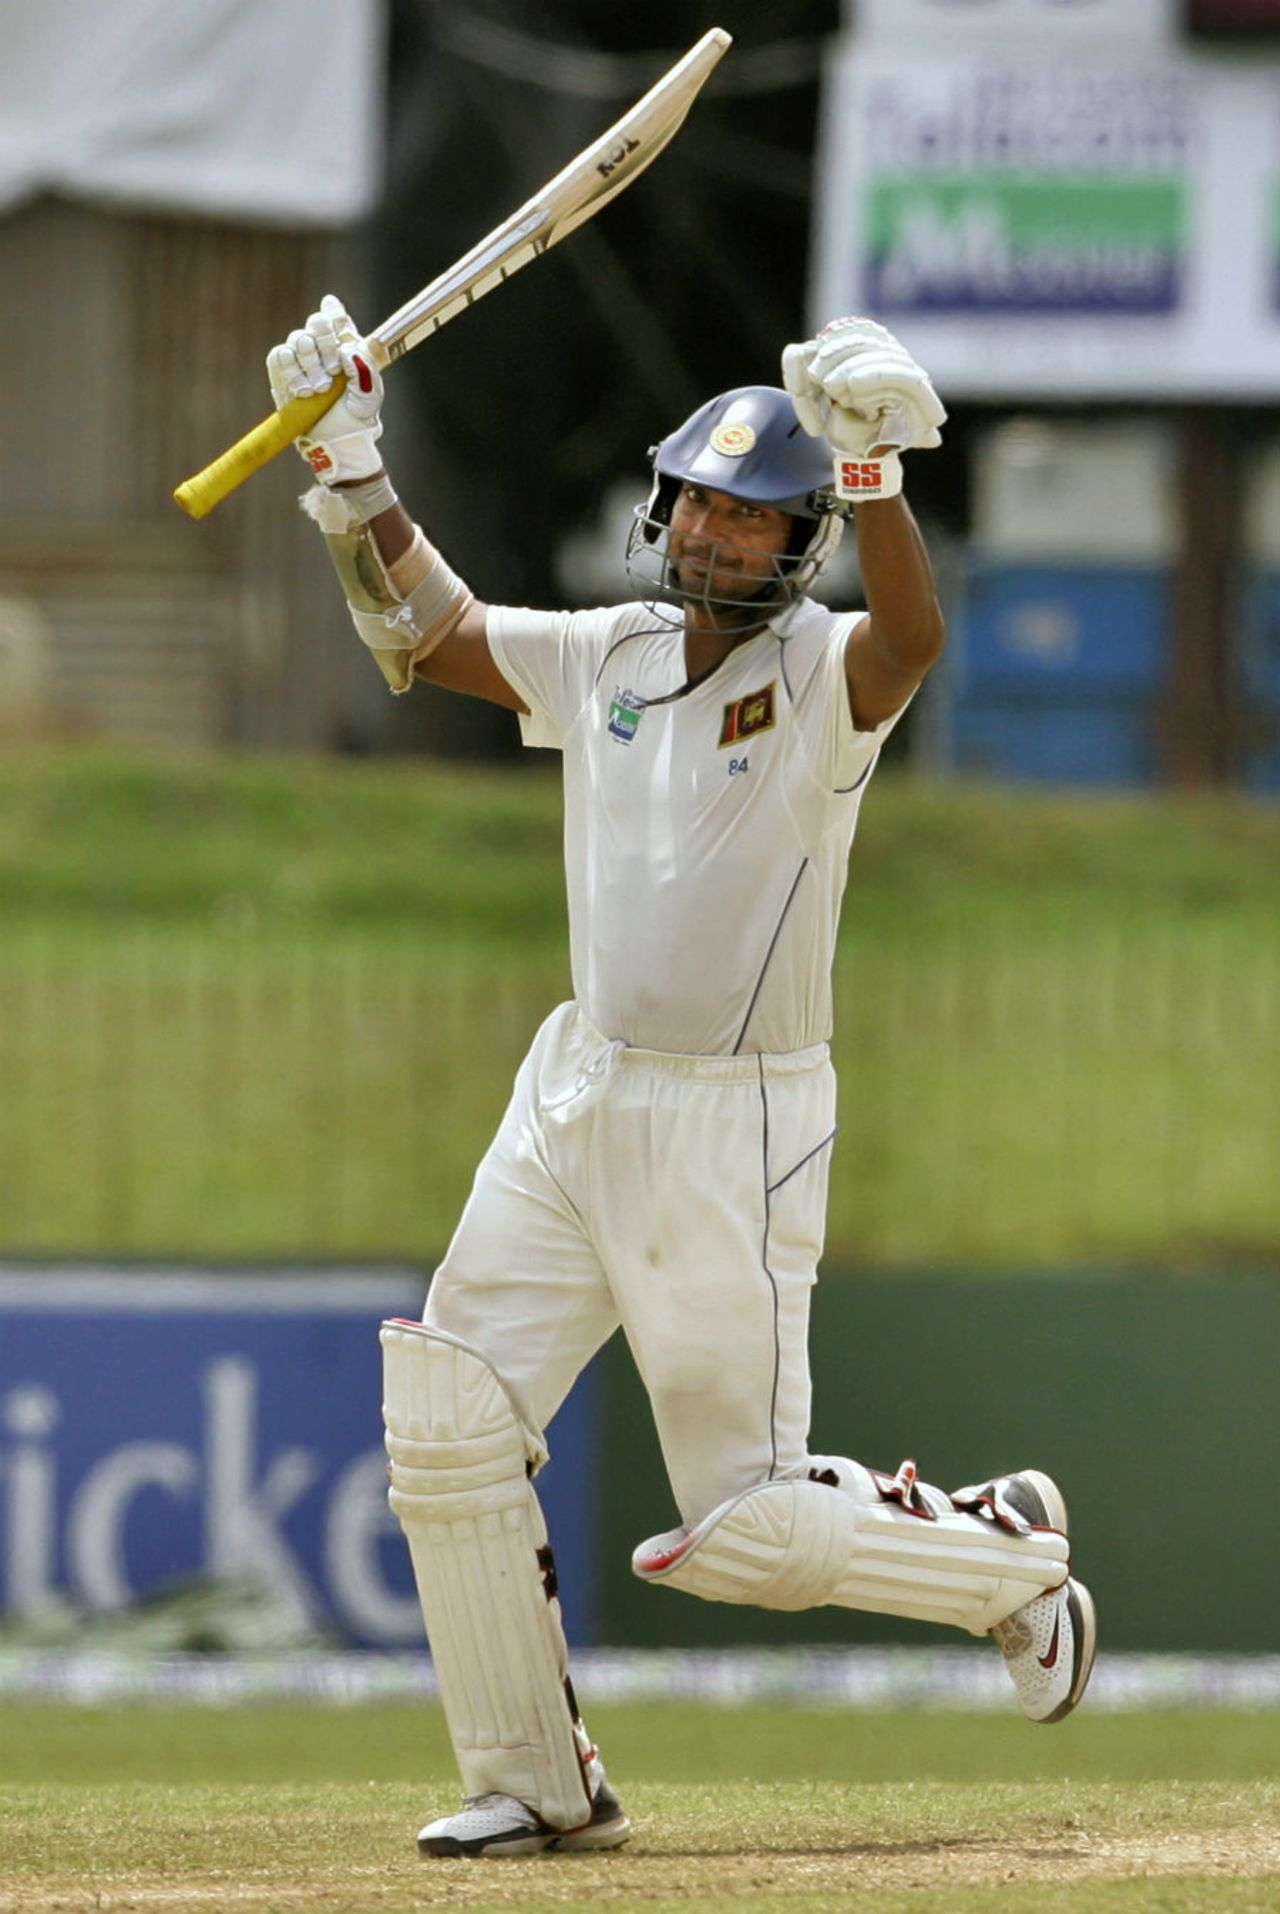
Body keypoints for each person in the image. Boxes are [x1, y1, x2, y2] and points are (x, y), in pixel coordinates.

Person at [267, 298, 1098, 1859]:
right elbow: (430, 634)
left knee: (753, 1529)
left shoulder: (823, 675)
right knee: (446, 1415)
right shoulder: (614, 653)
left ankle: (1011, 1559)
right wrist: (348, 463)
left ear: (798, 538)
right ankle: (535, 1778)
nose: (714, 533)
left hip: (735, 1122)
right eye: (700, 502)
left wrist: (877, 478)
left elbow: (913, 641)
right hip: (574, 1091)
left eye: (751, 513)